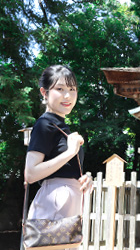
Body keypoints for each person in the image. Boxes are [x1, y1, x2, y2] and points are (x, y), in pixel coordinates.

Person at [24, 65, 93, 250]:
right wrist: (70, 152)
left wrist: (85, 178)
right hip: (53, 209)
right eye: (60, 89)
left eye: (72, 89)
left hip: (68, 209)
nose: (67, 96)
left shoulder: (61, 126)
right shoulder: (45, 124)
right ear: (44, 92)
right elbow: (30, 173)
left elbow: (66, 170)